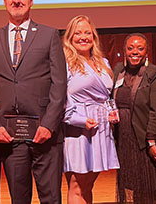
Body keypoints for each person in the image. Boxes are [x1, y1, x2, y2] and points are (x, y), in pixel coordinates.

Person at [0, 0, 67, 203]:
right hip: (9, 136)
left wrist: (49, 124)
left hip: (44, 134)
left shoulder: (49, 35)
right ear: (3, 0)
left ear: (31, 0)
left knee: (51, 199)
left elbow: (59, 84)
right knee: (19, 199)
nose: (16, 0)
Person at [62, 15, 119, 204]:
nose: (83, 37)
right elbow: (59, 98)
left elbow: (107, 95)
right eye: (77, 33)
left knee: (88, 185)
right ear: (70, 37)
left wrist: (112, 111)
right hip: (77, 130)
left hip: (101, 129)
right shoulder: (65, 63)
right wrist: (79, 120)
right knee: (77, 185)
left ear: (94, 37)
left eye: (87, 32)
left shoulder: (103, 62)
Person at [112, 33, 156, 203]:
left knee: (151, 185)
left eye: (140, 48)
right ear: (124, 51)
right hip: (124, 140)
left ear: (147, 52)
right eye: (130, 48)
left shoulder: (155, 72)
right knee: (132, 184)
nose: (135, 52)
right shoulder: (118, 71)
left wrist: (151, 140)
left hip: (145, 138)